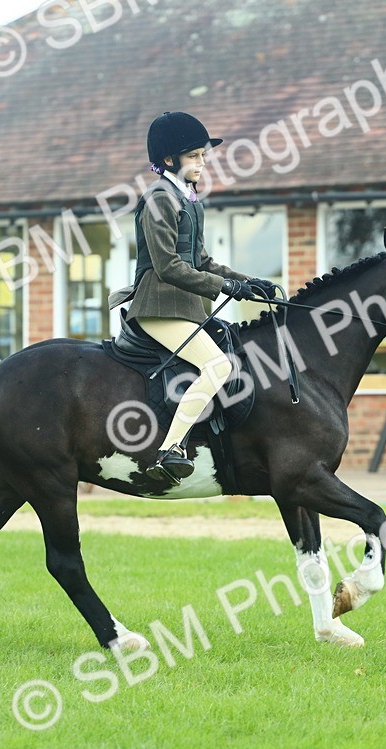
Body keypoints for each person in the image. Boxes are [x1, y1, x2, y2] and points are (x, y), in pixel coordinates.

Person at [110, 111, 276, 485]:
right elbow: (168, 266)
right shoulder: (158, 200)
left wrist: (249, 283)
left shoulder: (187, 199)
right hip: (158, 304)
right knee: (218, 367)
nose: (203, 162)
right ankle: (170, 449)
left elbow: (202, 261)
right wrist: (223, 288)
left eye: (203, 155)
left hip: (184, 307)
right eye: (195, 156)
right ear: (170, 160)